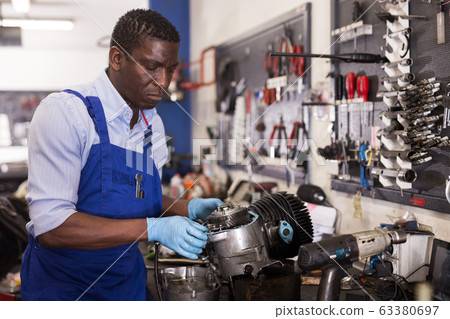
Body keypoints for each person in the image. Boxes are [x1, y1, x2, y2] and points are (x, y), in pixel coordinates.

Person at [20, 9, 223, 301]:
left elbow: (133, 195)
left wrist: (188, 208)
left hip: (126, 285)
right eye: (152, 67)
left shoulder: (152, 124)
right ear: (117, 58)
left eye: (170, 69)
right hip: (65, 291)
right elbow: (52, 227)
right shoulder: (67, 113)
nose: (163, 82)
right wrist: (154, 227)